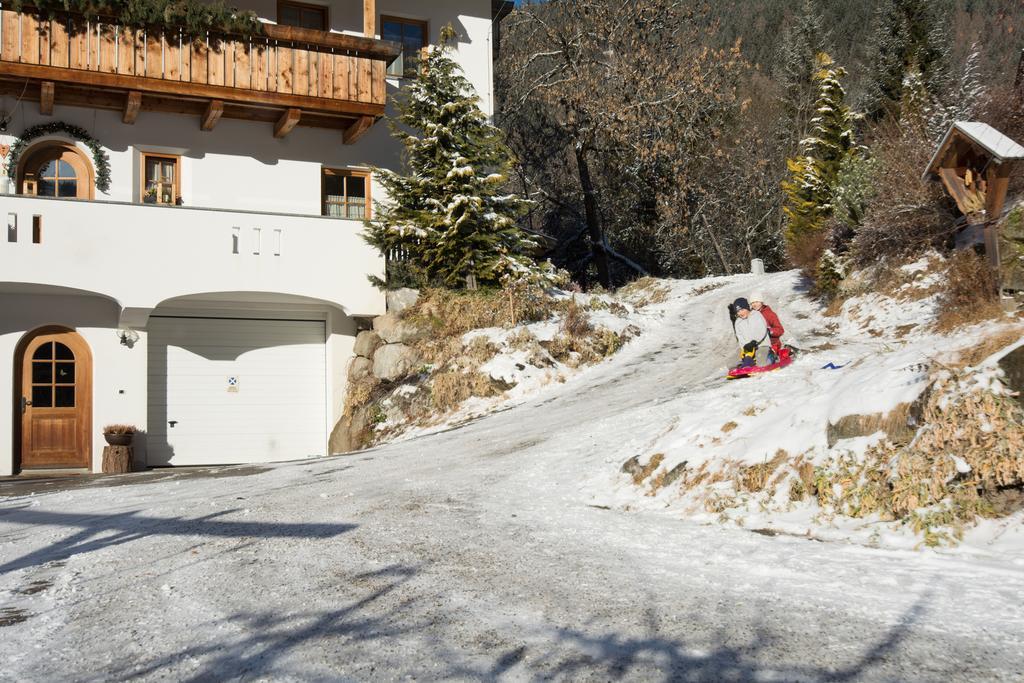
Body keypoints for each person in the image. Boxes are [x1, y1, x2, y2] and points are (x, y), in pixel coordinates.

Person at [729, 297, 769, 368]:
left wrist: (754, 342)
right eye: (738, 311)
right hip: (747, 349)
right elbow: (740, 337)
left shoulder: (756, 315)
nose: (740, 313)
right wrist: (745, 347)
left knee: (762, 363)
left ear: (747, 308)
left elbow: (762, 330)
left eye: (742, 310)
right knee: (731, 363)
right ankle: (745, 364)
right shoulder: (738, 322)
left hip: (761, 345)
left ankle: (771, 358)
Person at [749, 292, 784, 363]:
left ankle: (773, 358)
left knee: (764, 357)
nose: (754, 304)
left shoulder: (769, 314)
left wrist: (769, 331)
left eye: (757, 302)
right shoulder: (751, 315)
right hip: (757, 345)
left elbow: (780, 330)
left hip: (772, 344)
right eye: (752, 303)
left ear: (761, 302)